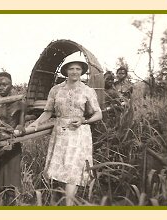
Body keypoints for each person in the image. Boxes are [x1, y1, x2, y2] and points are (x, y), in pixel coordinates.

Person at [27, 52, 102, 205]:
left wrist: (84, 120)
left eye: (78, 69)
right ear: (66, 71)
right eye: (71, 69)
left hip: (79, 133)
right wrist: (36, 123)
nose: (75, 72)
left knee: (73, 169)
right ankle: (59, 203)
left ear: (82, 71)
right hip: (60, 132)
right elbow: (48, 112)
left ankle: (69, 205)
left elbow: (98, 114)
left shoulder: (87, 90)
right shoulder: (56, 90)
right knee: (61, 168)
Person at [0, 71, 25, 206]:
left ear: (11, 86)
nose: (1, 87)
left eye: (4, 84)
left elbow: (21, 125)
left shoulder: (19, 103)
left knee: (10, 186)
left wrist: (19, 130)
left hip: (13, 147)